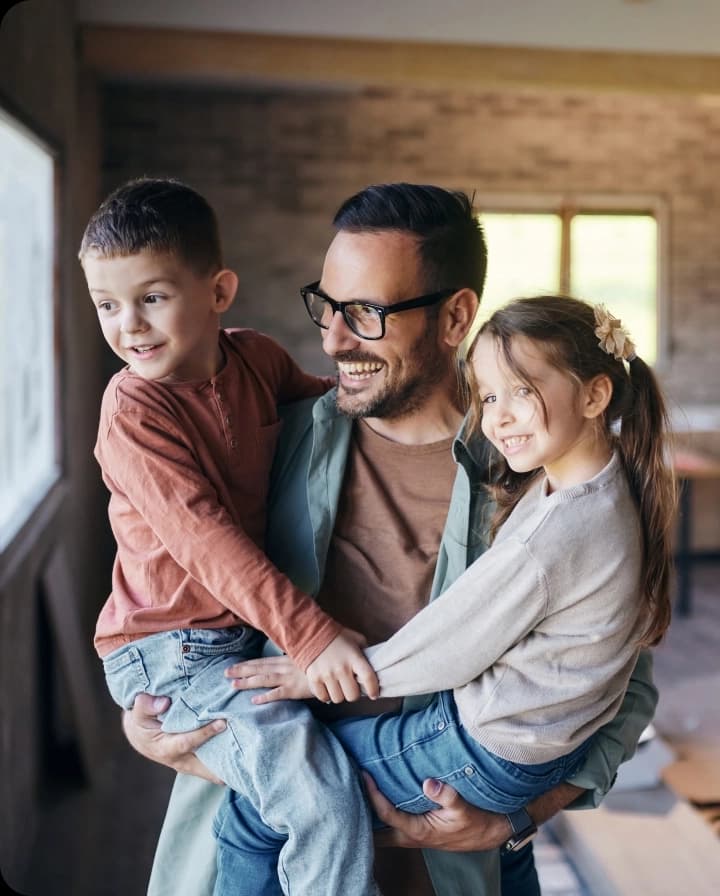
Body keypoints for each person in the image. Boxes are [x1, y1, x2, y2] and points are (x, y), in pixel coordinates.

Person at [123, 184, 659, 896]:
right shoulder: (272, 441)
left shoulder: (542, 473)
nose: (333, 338)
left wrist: (521, 817)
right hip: (268, 853)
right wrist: (146, 724)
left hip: (458, 866)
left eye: (366, 314)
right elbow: (168, 600)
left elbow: (626, 682)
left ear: (455, 317)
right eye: (328, 305)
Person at [221, 293, 675, 892]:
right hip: (543, 746)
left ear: (594, 395)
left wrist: (319, 676)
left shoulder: (555, 534)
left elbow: (452, 645)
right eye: (488, 395)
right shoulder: (605, 482)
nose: (499, 416)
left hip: (486, 747)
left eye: (522, 390)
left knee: (267, 789)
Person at [81, 176, 385, 896]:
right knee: (321, 799)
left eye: (151, 297)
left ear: (218, 291)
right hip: (167, 652)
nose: (129, 325)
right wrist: (312, 634)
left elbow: (330, 408)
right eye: (106, 305)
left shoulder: (256, 359)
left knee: (331, 765)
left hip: (237, 638)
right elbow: (206, 542)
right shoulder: (131, 411)